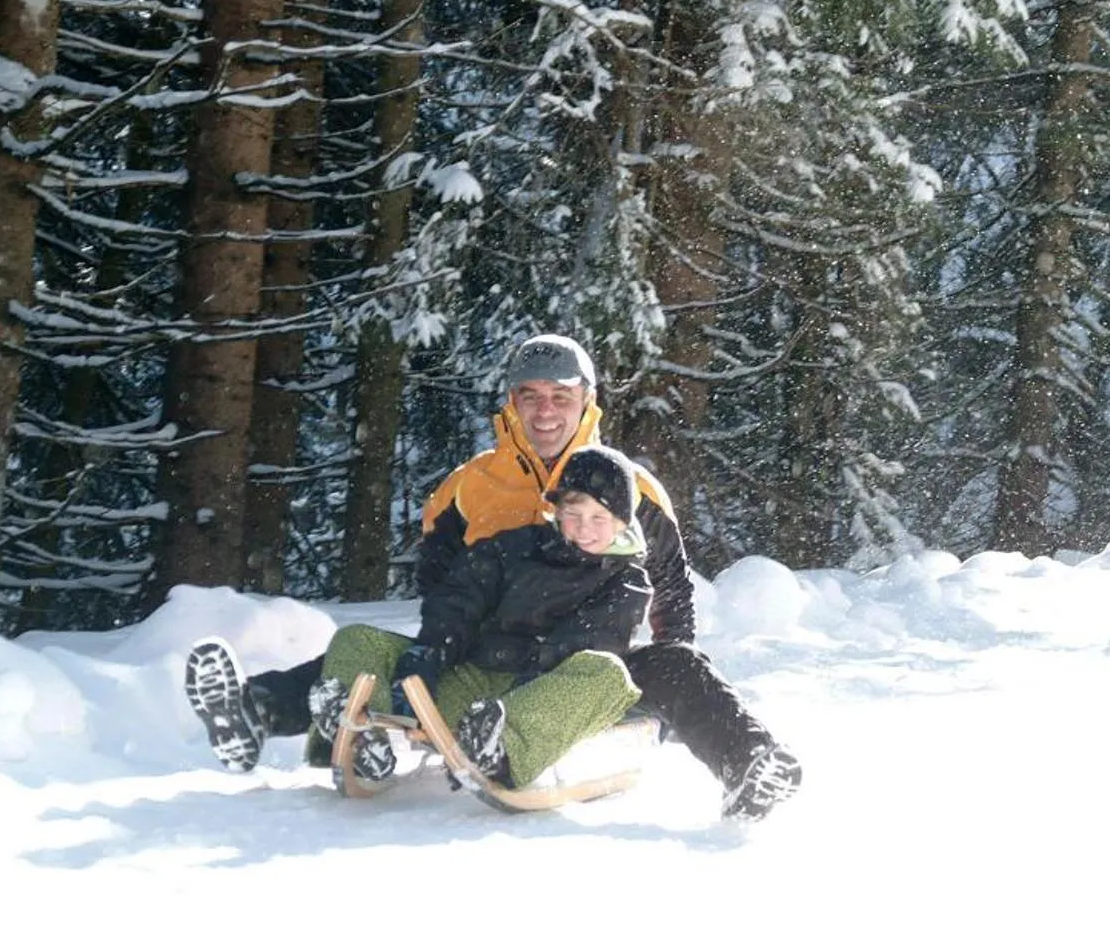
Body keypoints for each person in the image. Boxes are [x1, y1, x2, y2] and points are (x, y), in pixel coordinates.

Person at [184, 334, 803, 819]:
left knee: (672, 665)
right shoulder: (470, 486)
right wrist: (440, 648)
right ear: (510, 402)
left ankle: (751, 767)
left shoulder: (632, 487)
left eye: (560, 396)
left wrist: (665, 700)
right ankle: (262, 711)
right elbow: (444, 585)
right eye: (530, 395)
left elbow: (671, 589)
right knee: (372, 646)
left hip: (589, 662)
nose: (545, 410)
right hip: (487, 649)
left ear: (586, 401)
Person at [318, 445, 651, 790]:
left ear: (621, 523)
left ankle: (499, 749)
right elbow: (460, 597)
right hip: (472, 685)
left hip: (542, 703)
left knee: (608, 673)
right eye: (574, 514)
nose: (584, 529)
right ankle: (362, 735)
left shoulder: (626, 579)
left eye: (599, 518)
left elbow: (590, 639)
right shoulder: (516, 547)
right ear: (557, 512)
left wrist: (517, 694)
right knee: (356, 637)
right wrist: (430, 653)